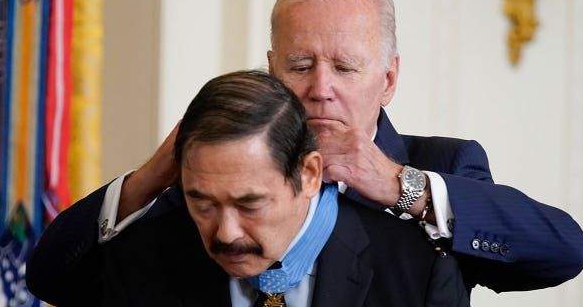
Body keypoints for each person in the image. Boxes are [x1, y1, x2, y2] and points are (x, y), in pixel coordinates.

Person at [30, 0, 583, 299]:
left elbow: (563, 254)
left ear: (388, 79)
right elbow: (51, 278)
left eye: (346, 67)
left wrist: (400, 185)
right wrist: (155, 173)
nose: (320, 90)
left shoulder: (441, 164)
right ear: (271, 69)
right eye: (300, 65)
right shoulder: (222, 176)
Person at [27, 70, 469, 306]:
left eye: (250, 203)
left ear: (310, 175)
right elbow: (51, 280)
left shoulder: (417, 272)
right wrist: (147, 181)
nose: (225, 233)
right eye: (203, 202)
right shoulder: (148, 258)